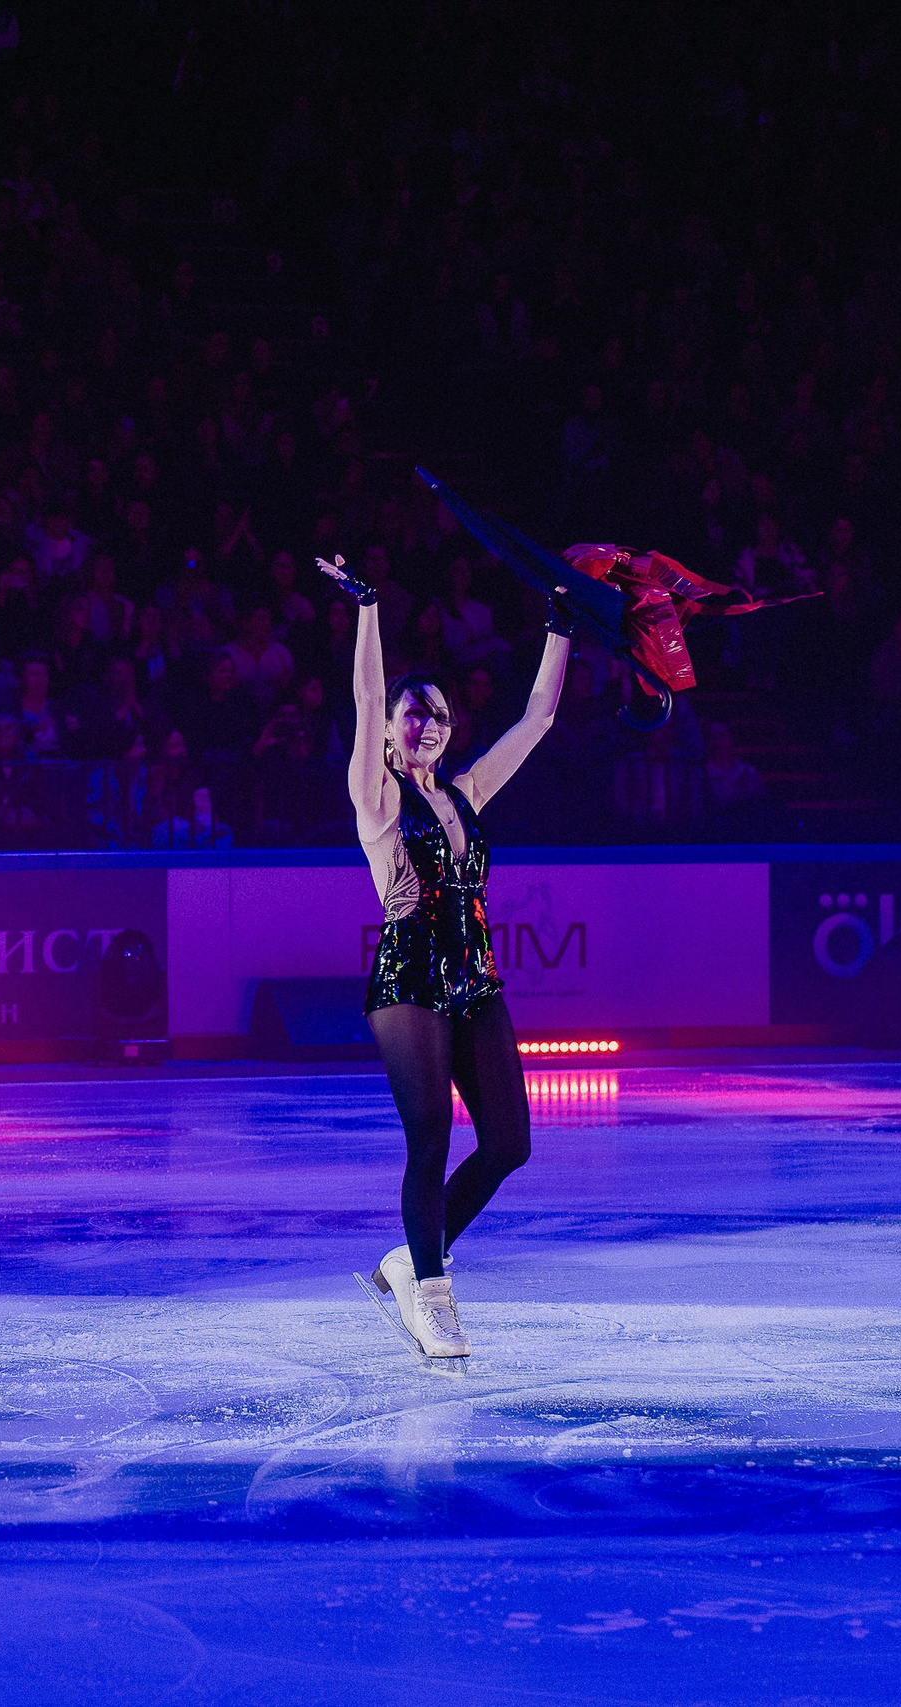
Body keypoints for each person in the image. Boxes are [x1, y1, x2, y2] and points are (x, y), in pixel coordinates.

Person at [319, 550, 570, 1358]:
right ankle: (430, 1294)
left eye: (434, 712)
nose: (420, 722)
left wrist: (561, 624)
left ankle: (410, 1253)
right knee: (429, 1135)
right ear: (392, 733)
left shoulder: (465, 791)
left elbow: (537, 719)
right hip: (408, 979)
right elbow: (362, 695)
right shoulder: (379, 799)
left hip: (475, 979)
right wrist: (367, 607)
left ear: (450, 728)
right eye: (408, 714)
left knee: (508, 1143)